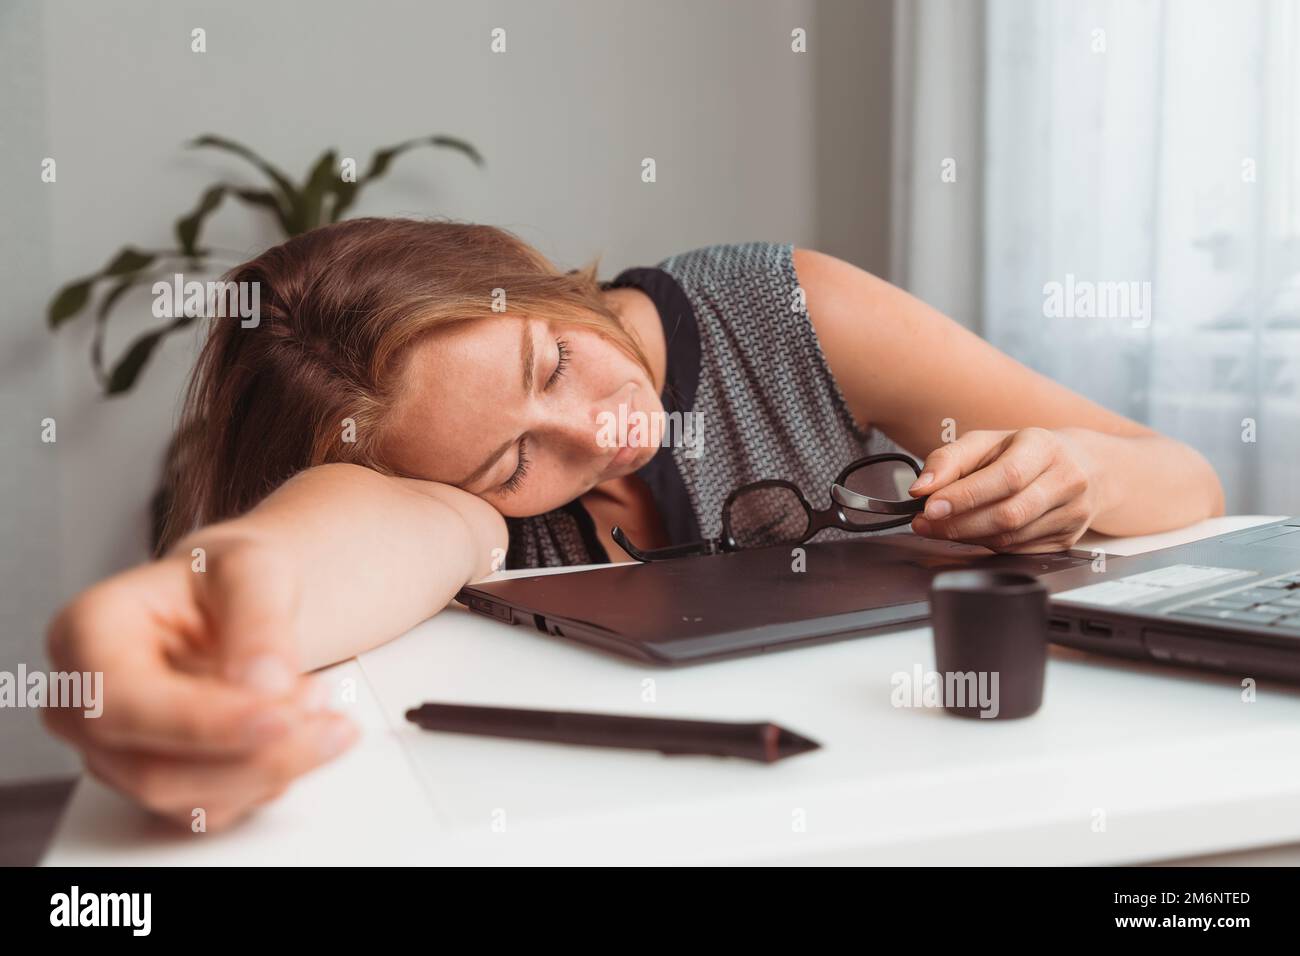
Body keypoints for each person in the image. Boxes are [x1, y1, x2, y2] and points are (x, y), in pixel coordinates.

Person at [43, 218, 1224, 830]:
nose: (592, 431)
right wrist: (209, 591)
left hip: (980, 774)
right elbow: (333, 543)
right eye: (515, 459)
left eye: (552, 359)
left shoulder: (785, 308)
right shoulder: (441, 496)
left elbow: (1181, 479)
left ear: (528, 275)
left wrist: (1073, 472)